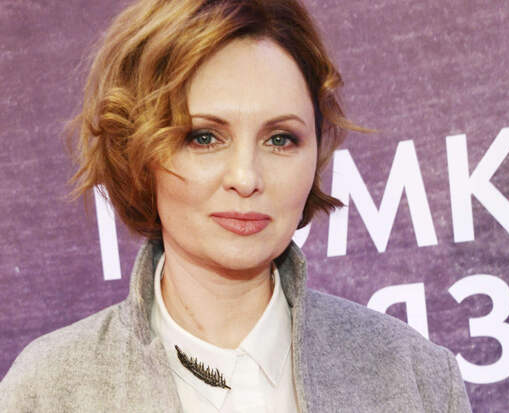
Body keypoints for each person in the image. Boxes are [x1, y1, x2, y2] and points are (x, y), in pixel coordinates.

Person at [0, 0, 472, 411]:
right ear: (139, 152)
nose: (246, 178)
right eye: (204, 137)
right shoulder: (48, 392)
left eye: (280, 139)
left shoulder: (415, 378)